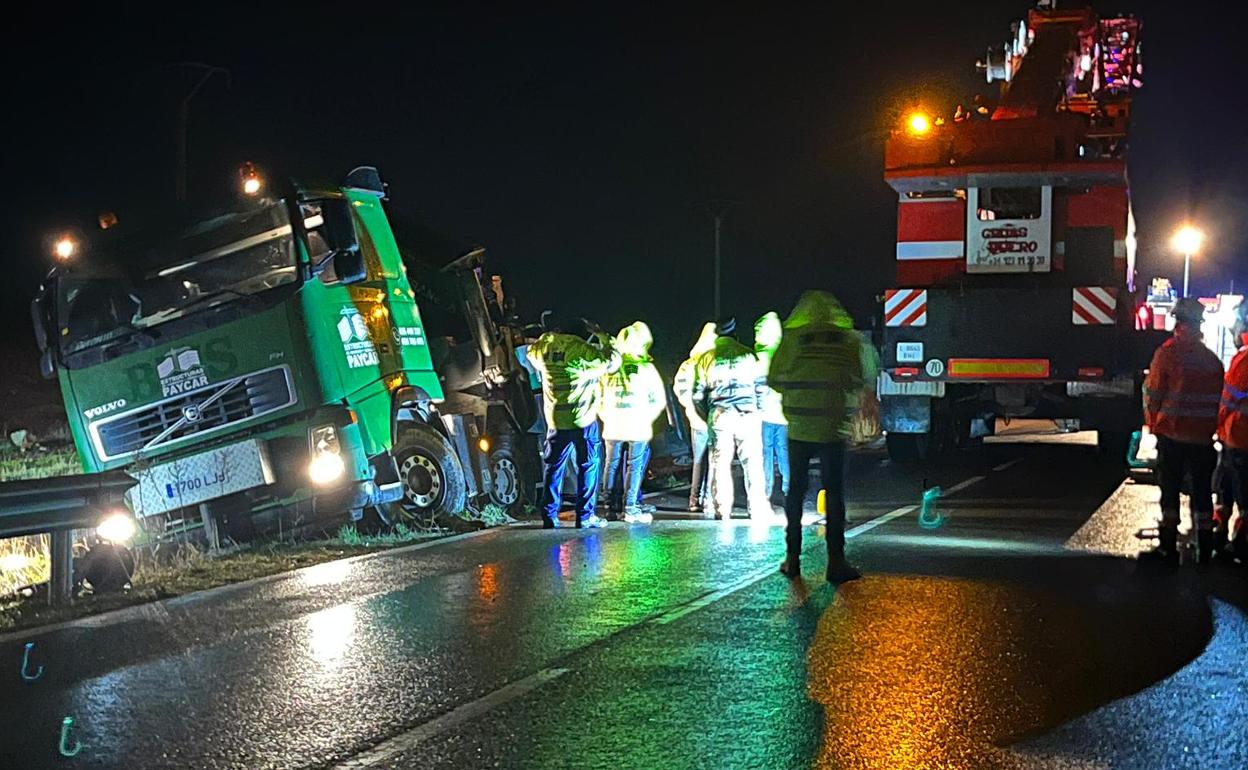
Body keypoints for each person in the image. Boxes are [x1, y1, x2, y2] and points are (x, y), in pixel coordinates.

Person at [769, 291, 864, 583]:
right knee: (834, 493)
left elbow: (773, 379)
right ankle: (836, 562)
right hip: (832, 428)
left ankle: (792, 559)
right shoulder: (845, 340)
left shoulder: (792, 339)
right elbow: (856, 377)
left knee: (795, 492)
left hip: (798, 427)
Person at [1142, 297, 1225, 564]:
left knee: (1170, 489)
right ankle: (1204, 550)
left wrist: (1154, 425)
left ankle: (1168, 548)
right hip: (1202, 438)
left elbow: (1153, 394)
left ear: (1178, 322)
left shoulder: (1167, 354)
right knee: (1202, 493)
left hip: (1173, 435)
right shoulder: (1212, 361)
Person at [527, 318, 621, 529]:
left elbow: (531, 350)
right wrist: (603, 336)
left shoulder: (545, 349)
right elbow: (612, 362)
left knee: (553, 468)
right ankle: (585, 517)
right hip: (583, 419)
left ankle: (549, 516)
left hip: (556, 420)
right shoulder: (582, 351)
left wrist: (548, 335)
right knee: (588, 466)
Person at [691, 317, 771, 521]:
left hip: (720, 416)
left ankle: (722, 509)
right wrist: (758, 410)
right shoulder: (748, 355)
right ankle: (757, 507)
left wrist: (708, 415)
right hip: (748, 415)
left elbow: (697, 395)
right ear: (734, 333)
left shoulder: (706, 358)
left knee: (720, 463)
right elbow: (762, 388)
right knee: (752, 463)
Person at [599, 322, 667, 523]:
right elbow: (659, 400)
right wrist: (647, 418)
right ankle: (630, 508)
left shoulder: (610, 368)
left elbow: (598, 396)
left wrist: (605, 415)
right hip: (638, 425)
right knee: (634, 467)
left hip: (612, 424)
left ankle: (610, 508)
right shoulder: (646, 368)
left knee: (611, 465)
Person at [673, 323, 718, 513]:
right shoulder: (713, 361)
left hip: (695, 420)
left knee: (698, 460)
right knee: (714, 460)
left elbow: (679, 390)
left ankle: (694, 500)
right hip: (714, 419)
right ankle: (708, 499)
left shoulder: (687, 364)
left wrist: (691, 408)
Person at [1217, 300, 1248, 560]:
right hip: (1238, 438)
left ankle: (1234, 541)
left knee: (1231, 488)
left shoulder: (1245, 358)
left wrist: (1217, 428)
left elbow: (1228, 399)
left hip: (1239, 437)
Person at [754, 312, 789, 505]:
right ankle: (788, 488)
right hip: (783, 414)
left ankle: (765, 490)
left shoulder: (760, 357)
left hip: (765, 414)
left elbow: (757, 387)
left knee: (765, 453)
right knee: (784, 452)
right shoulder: (785, 355)